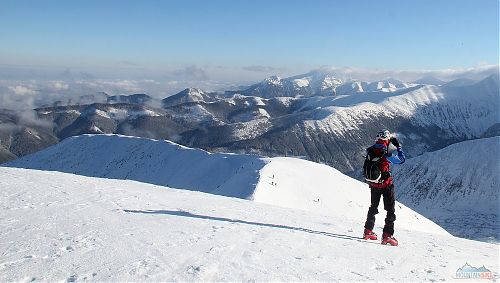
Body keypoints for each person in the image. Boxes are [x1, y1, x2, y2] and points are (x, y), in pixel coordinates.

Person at [362, 129, 405, 246]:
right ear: (387, 139)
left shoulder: (370, 149)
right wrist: (398, 147)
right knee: (390, 210)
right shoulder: (386, 152)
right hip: (386, 185)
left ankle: (368, 231)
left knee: (373, 207)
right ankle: (387, 236)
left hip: (373, 184)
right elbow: (401, 160)